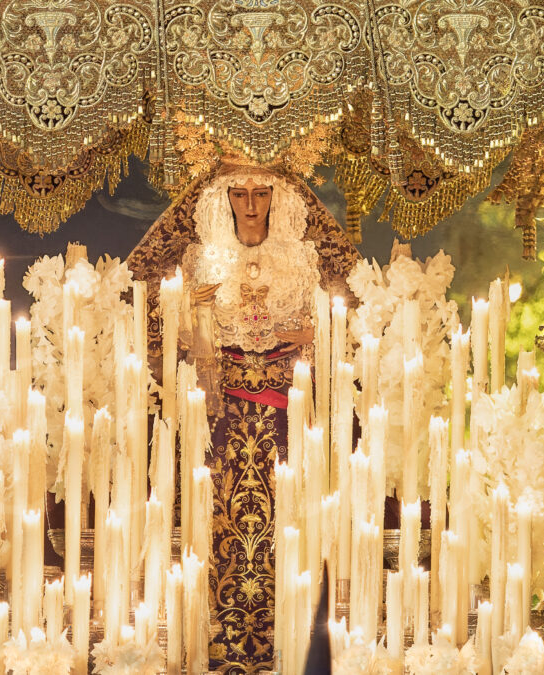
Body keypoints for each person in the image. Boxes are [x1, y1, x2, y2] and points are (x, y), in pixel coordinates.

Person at [180, 168, 320, 673]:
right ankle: (222, 637)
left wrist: (290, 335)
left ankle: (287, 639)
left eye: (261, 194)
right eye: (239, 195)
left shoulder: (299, 258)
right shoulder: (202, 259)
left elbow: (318, 327)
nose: (251, 205)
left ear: (276, 199)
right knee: (223, 522)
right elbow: (188, 342)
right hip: (227, 416)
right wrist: (196, 317)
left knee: (286, 523)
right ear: (226, 201)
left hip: (283, 412)